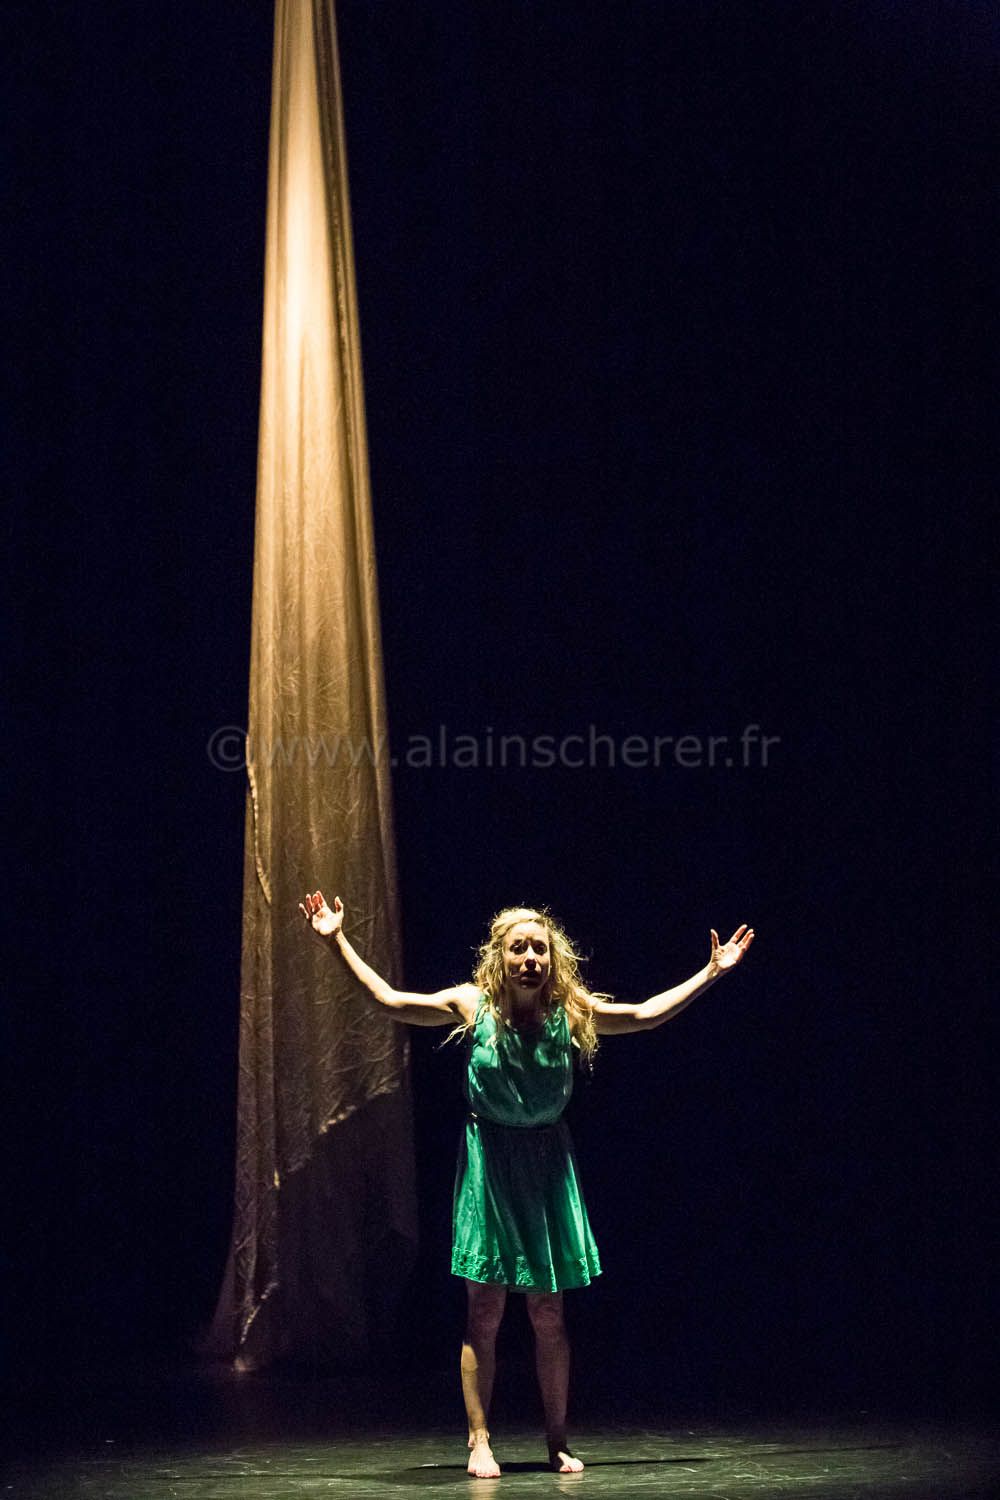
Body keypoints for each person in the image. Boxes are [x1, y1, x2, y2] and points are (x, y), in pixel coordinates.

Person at [300, 891, 754, 1477]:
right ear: (500, 957)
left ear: (552, 958)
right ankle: (479, 1439)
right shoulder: (472, 1006)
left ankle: (557, 1440)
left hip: (545, 1168)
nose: (530, 958)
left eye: (539, 949)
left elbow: (644, 1014)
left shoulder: (570, 1011)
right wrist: (336, 940)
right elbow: (388, 1000)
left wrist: (711, 973)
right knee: (485, 1312)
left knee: (548, 1314)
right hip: (489, 1165)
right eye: (519, 949)